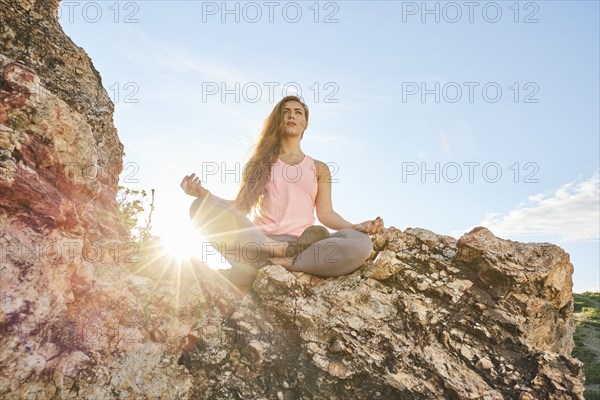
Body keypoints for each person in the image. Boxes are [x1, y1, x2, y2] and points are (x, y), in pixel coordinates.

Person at [180, 95, 384, 289]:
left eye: (298, 112)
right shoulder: (261, 164)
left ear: (306, 123)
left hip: (303, 245)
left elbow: (326, 214)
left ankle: (279, 262)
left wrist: (355, 226)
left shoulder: (320, 168)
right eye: (286, 112)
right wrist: (204, 194)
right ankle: (276, 254)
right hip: (257, 242)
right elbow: (239, 208)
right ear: (279, 120)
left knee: (361, 244)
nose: (292, 115)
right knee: (199, 208)